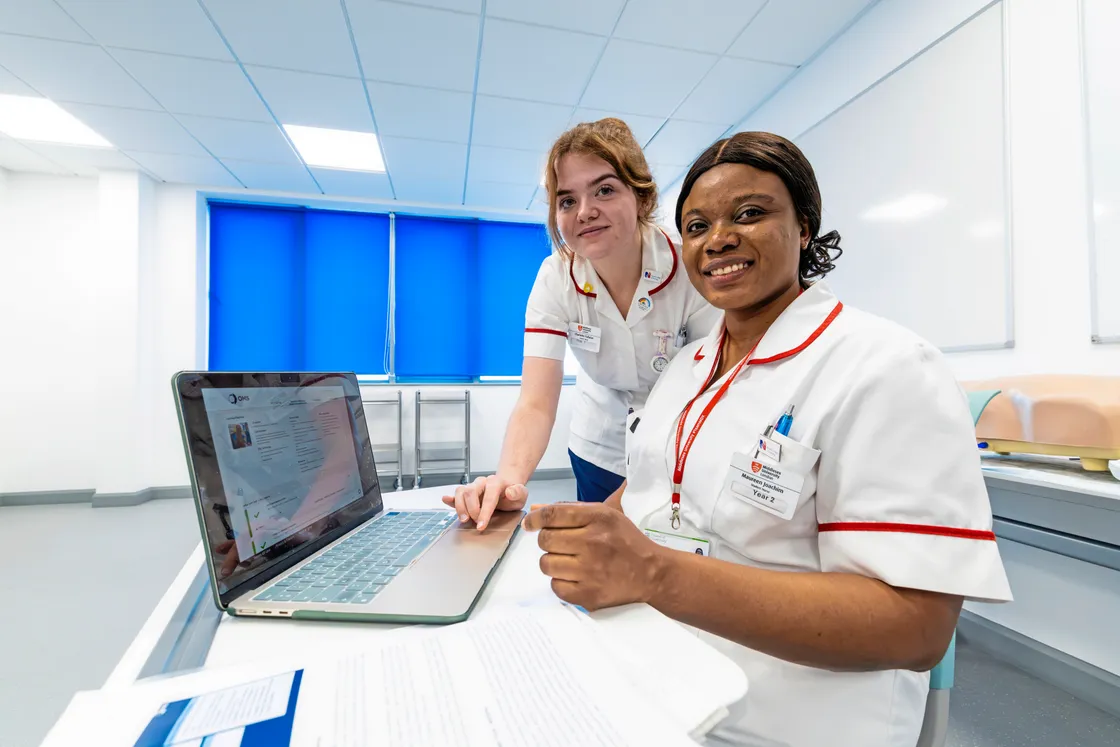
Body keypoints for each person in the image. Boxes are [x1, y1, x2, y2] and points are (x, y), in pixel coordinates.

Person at [523, 132, 1012, 747]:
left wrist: (654, 574)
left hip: (785, 723)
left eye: (750, 214)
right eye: (698, 224)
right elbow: (649, 484)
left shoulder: (886, 367)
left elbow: (915, 629)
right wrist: (586, 529)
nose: (719, 238)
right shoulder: (688, 367)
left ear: (804, 226)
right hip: (660, 681)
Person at [444, 118, 718, 527]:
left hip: (683, 446)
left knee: (674, 558)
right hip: (600, 447)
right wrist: (508, 481)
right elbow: (536, 402)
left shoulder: (690, 268)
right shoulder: (555, 278)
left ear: (642, 198)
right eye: (567, 200)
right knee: (598, 571)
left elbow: (710, 389)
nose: (585, 212)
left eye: (604, 190)